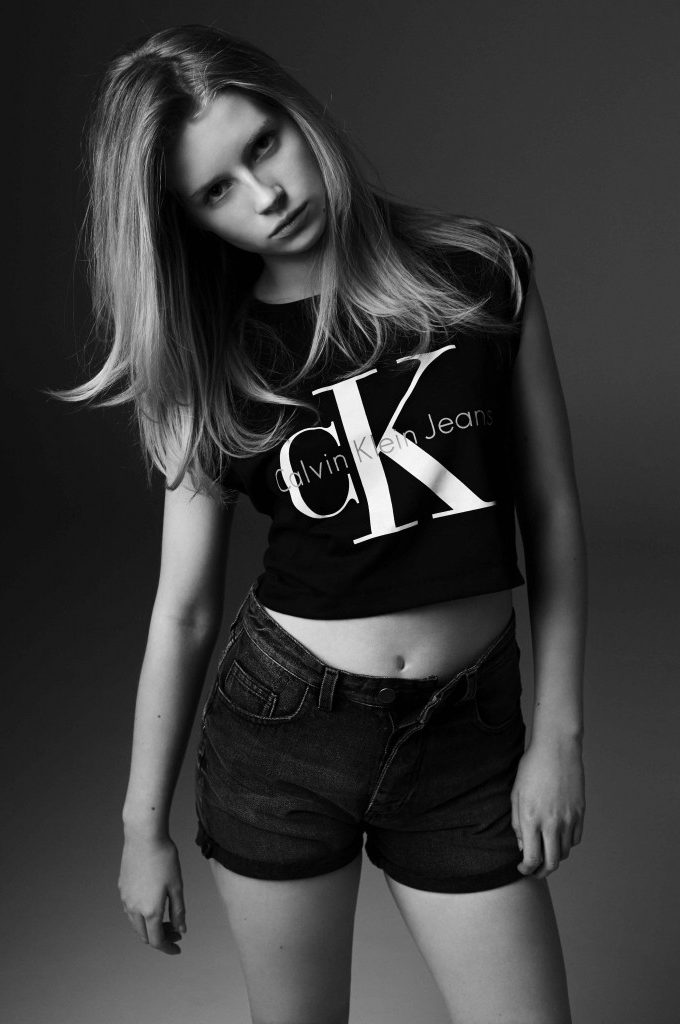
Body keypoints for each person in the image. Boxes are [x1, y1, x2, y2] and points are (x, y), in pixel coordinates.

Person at [59, 23, 587, 1024]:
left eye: (262, 145)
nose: (265, 196)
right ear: (187, 220)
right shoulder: (211, 358)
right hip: (284, 737)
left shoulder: (482, 272)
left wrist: (558, 734)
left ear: (298, 114)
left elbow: (552, 511)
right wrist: (141, 828)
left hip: (467, 735)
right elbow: (184, 609)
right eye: (217, 191)